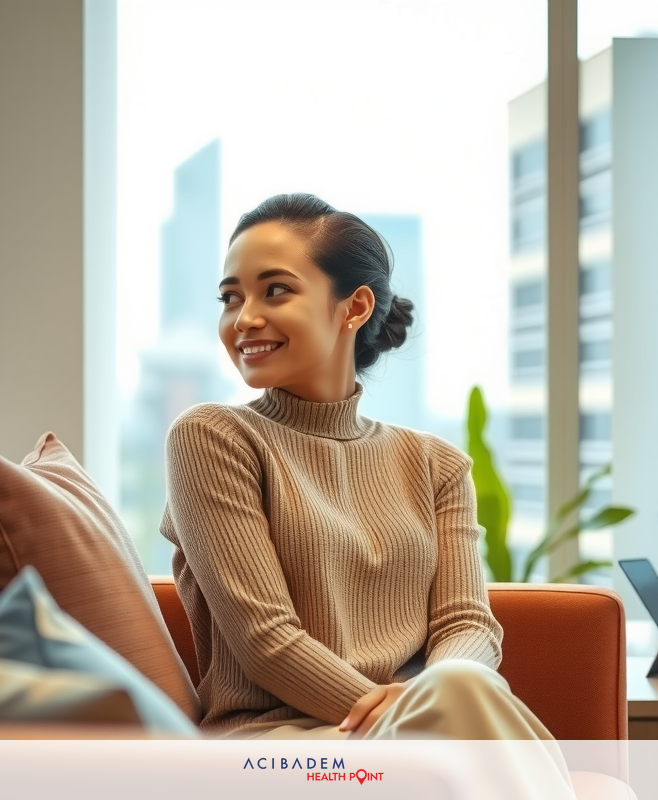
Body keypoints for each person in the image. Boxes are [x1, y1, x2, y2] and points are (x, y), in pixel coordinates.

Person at [159, 193, 574, 796]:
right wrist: (407, 715)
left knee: (461, 685)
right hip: (276, 752)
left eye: (274, 290)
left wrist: (428, 703)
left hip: (424, 727)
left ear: (354, 306)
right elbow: (266, 642)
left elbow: (467, 623)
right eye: (230, 297)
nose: (243, 317)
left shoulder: (436, 463)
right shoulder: (212, 437)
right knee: (459, 709)